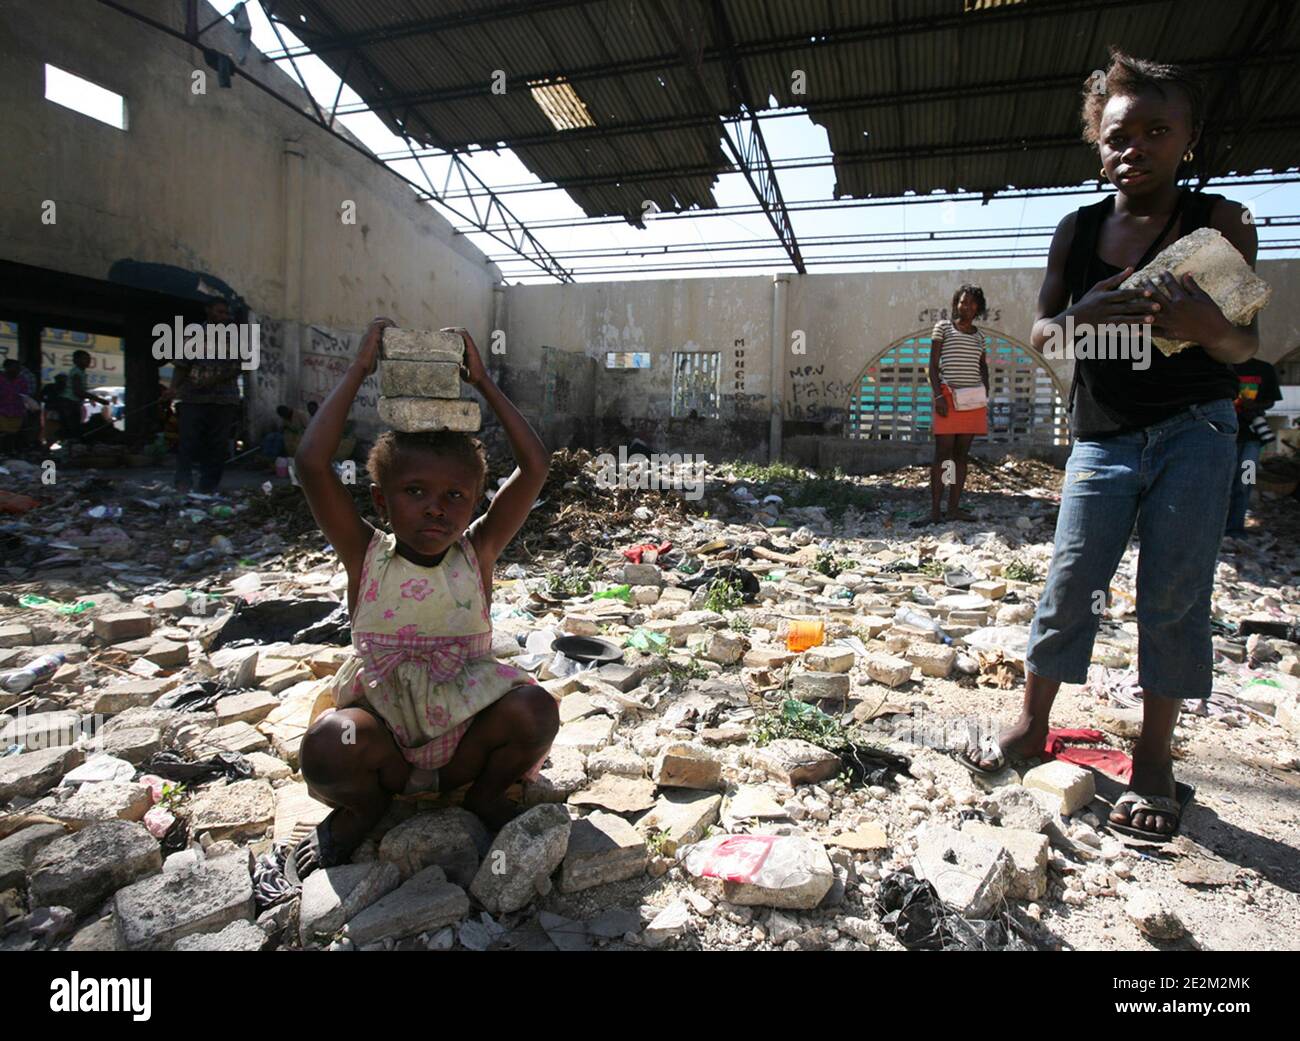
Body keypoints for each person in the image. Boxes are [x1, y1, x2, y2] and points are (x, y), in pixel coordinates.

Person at [963, 50, 1259, 843]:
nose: (1138, 148)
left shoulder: (1218, 223)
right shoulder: (1080, 229)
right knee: (1072, 582)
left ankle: (1155, 757)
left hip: (1197, 432)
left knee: (1173, 592)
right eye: (1120, 135)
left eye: (1159, 131)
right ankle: (1030, 722)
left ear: (1188, 140)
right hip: (1103, 439)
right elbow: (1043, 333)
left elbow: (1244, 345)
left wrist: (1208, 328)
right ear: (1099, 144)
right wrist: (1088, 311)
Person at [288, 319, 555, 879]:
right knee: (327, 745)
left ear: (476, 500)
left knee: (536, 709)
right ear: (382, 500)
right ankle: (368, 806)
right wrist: (359, 369)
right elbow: (313, 463)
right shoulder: (367, 555)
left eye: (455, 495)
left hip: (464, 737)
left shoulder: (476, 552)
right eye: (416, 493)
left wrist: (483, 381)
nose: (437, 508)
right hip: (384, 732)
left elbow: (535, 466)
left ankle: (483, 798)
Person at [915, 285, 991, 525]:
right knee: (943, 455)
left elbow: (983, 365)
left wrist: (985, 389)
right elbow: (933, 365)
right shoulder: (943, 328)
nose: (966, 307)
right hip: (948, 397)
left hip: (972, 401)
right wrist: (938, 396)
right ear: (956, 303)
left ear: (978, 307)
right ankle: (935, 510)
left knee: (961, 455)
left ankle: (954, 509)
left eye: (971, 303)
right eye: (962, 302)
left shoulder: (980, 336)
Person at [170, 298, 243, 492]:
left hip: (224, 399)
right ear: (208, 311)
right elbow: (182, 365)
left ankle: (208, 486)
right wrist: (172, 388)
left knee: (217, 445)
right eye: (219, 312)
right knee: (188, 440)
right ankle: (183, 481)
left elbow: (239, 367)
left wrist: (212, 380)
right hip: (193, 398)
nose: (223, 316)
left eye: (226, 313)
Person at [1224, 357, 1281, 537]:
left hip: (1251, 438)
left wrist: (1253, 406)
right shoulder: (1219, 364)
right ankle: (1217, 528)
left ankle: (1235, 528)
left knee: (1245, 481)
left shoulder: (1263, 368)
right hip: (1222, 436)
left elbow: (1271, 399)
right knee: (1219, 483)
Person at [61, 350, 110, 442]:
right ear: (76, 360)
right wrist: (99, 399)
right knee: (73, 429)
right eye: (84, 359)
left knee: (73, 428)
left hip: (73, 402)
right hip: (70, 402)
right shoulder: (77, 373)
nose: (88, 361)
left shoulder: (80, 372)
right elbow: (78, 392)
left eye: (88, 359)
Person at [0, 359, 32, 453]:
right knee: (2, 434)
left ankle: (8, 454)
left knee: (12, 435)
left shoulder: (21, 381)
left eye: (18, 368)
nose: (17, 370)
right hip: (1, 410)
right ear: (7, 367)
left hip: (16, 412)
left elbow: (25, 396)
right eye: (15, 367)